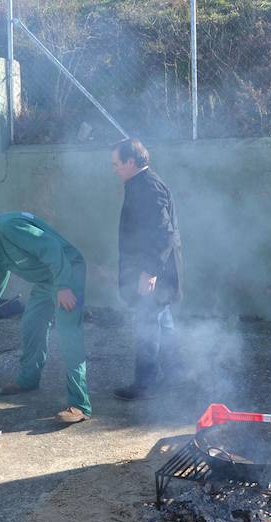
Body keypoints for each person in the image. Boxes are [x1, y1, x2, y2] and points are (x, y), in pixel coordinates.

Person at [0, 208, 91, 423]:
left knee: (68, 335)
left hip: (67, 276)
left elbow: (52, 248)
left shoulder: (8, 226)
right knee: (31, 325)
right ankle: (29, 379)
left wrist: (64, 286)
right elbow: (0, 274)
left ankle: (80, 405)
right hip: (46, 282)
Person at [110, 138, 183, 400]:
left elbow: (164, 233)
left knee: (146, 326)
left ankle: (144, 384)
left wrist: (149, 271)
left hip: (154, 275)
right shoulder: (140, 183)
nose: (114, 168)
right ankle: (175, 374)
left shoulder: (148, 187)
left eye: (117, 163)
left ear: (131, 162)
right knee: (162, 323)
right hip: (153, 273)